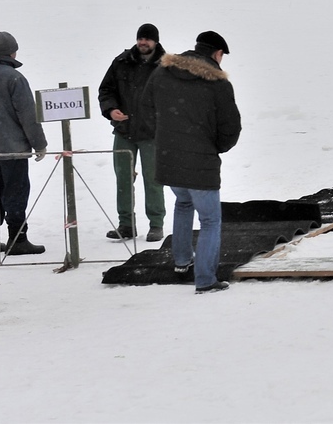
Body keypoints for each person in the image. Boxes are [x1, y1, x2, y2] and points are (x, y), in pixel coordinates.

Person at [141, 31, 241, 293]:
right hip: (201, 162)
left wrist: (163, 137)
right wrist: (215, 147)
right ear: (217, 54)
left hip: (168, 157)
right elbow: (230, 126)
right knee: (210, 220)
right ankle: (206, 279)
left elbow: (145, 108)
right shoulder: (217, 83)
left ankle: (182, 261)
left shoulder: (162, 73)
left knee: (183, 203)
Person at [0, 32, 48, 255]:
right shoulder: (14, 78)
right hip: (11, 149)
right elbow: (27, 115)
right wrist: (39, 144)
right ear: (11, 52)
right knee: (15, 191)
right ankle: (18, 239)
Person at [98, 23, 167, 242]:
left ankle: (156, 224)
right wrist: (111, 110)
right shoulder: (121, 62)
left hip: (152, 134)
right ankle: (126, 224)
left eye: (147, 39)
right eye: (140, 38)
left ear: (155, 41)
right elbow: (106, 90)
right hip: (124, 131)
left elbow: (174, 97)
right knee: (123, 179)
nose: (143, 42)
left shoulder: (166, 66)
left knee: (153, 179)